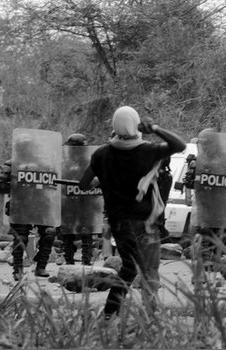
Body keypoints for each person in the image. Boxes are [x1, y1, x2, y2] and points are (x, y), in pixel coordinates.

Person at [78, 106, 185, 320]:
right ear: (136, 124)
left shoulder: (101, 154)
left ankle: (110, 312)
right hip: (146, 222)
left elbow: (83, 184)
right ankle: (150, 316)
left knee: (129, 267)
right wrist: (155, 128)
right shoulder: (147, 151)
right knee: (149, 270)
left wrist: (104, 181)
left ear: (114, 126)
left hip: (119, 223)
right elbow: (179, 145)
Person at [0, 158, 56, 280]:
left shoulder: (46, 164)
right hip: (21, 205)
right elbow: (1, 188)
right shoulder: (12, 164)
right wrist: (9, 182)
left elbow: (55, 187)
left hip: (41, 205)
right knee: (21, 237)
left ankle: (41, 266)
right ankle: (17, 270)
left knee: (49, 233)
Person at [60, 133, 95, 266]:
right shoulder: (64, 163)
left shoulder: (88, 162)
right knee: (67, 234)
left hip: (85, 202)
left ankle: (86, 260)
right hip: (69, 202)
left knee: (86, 233)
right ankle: (69, 261)